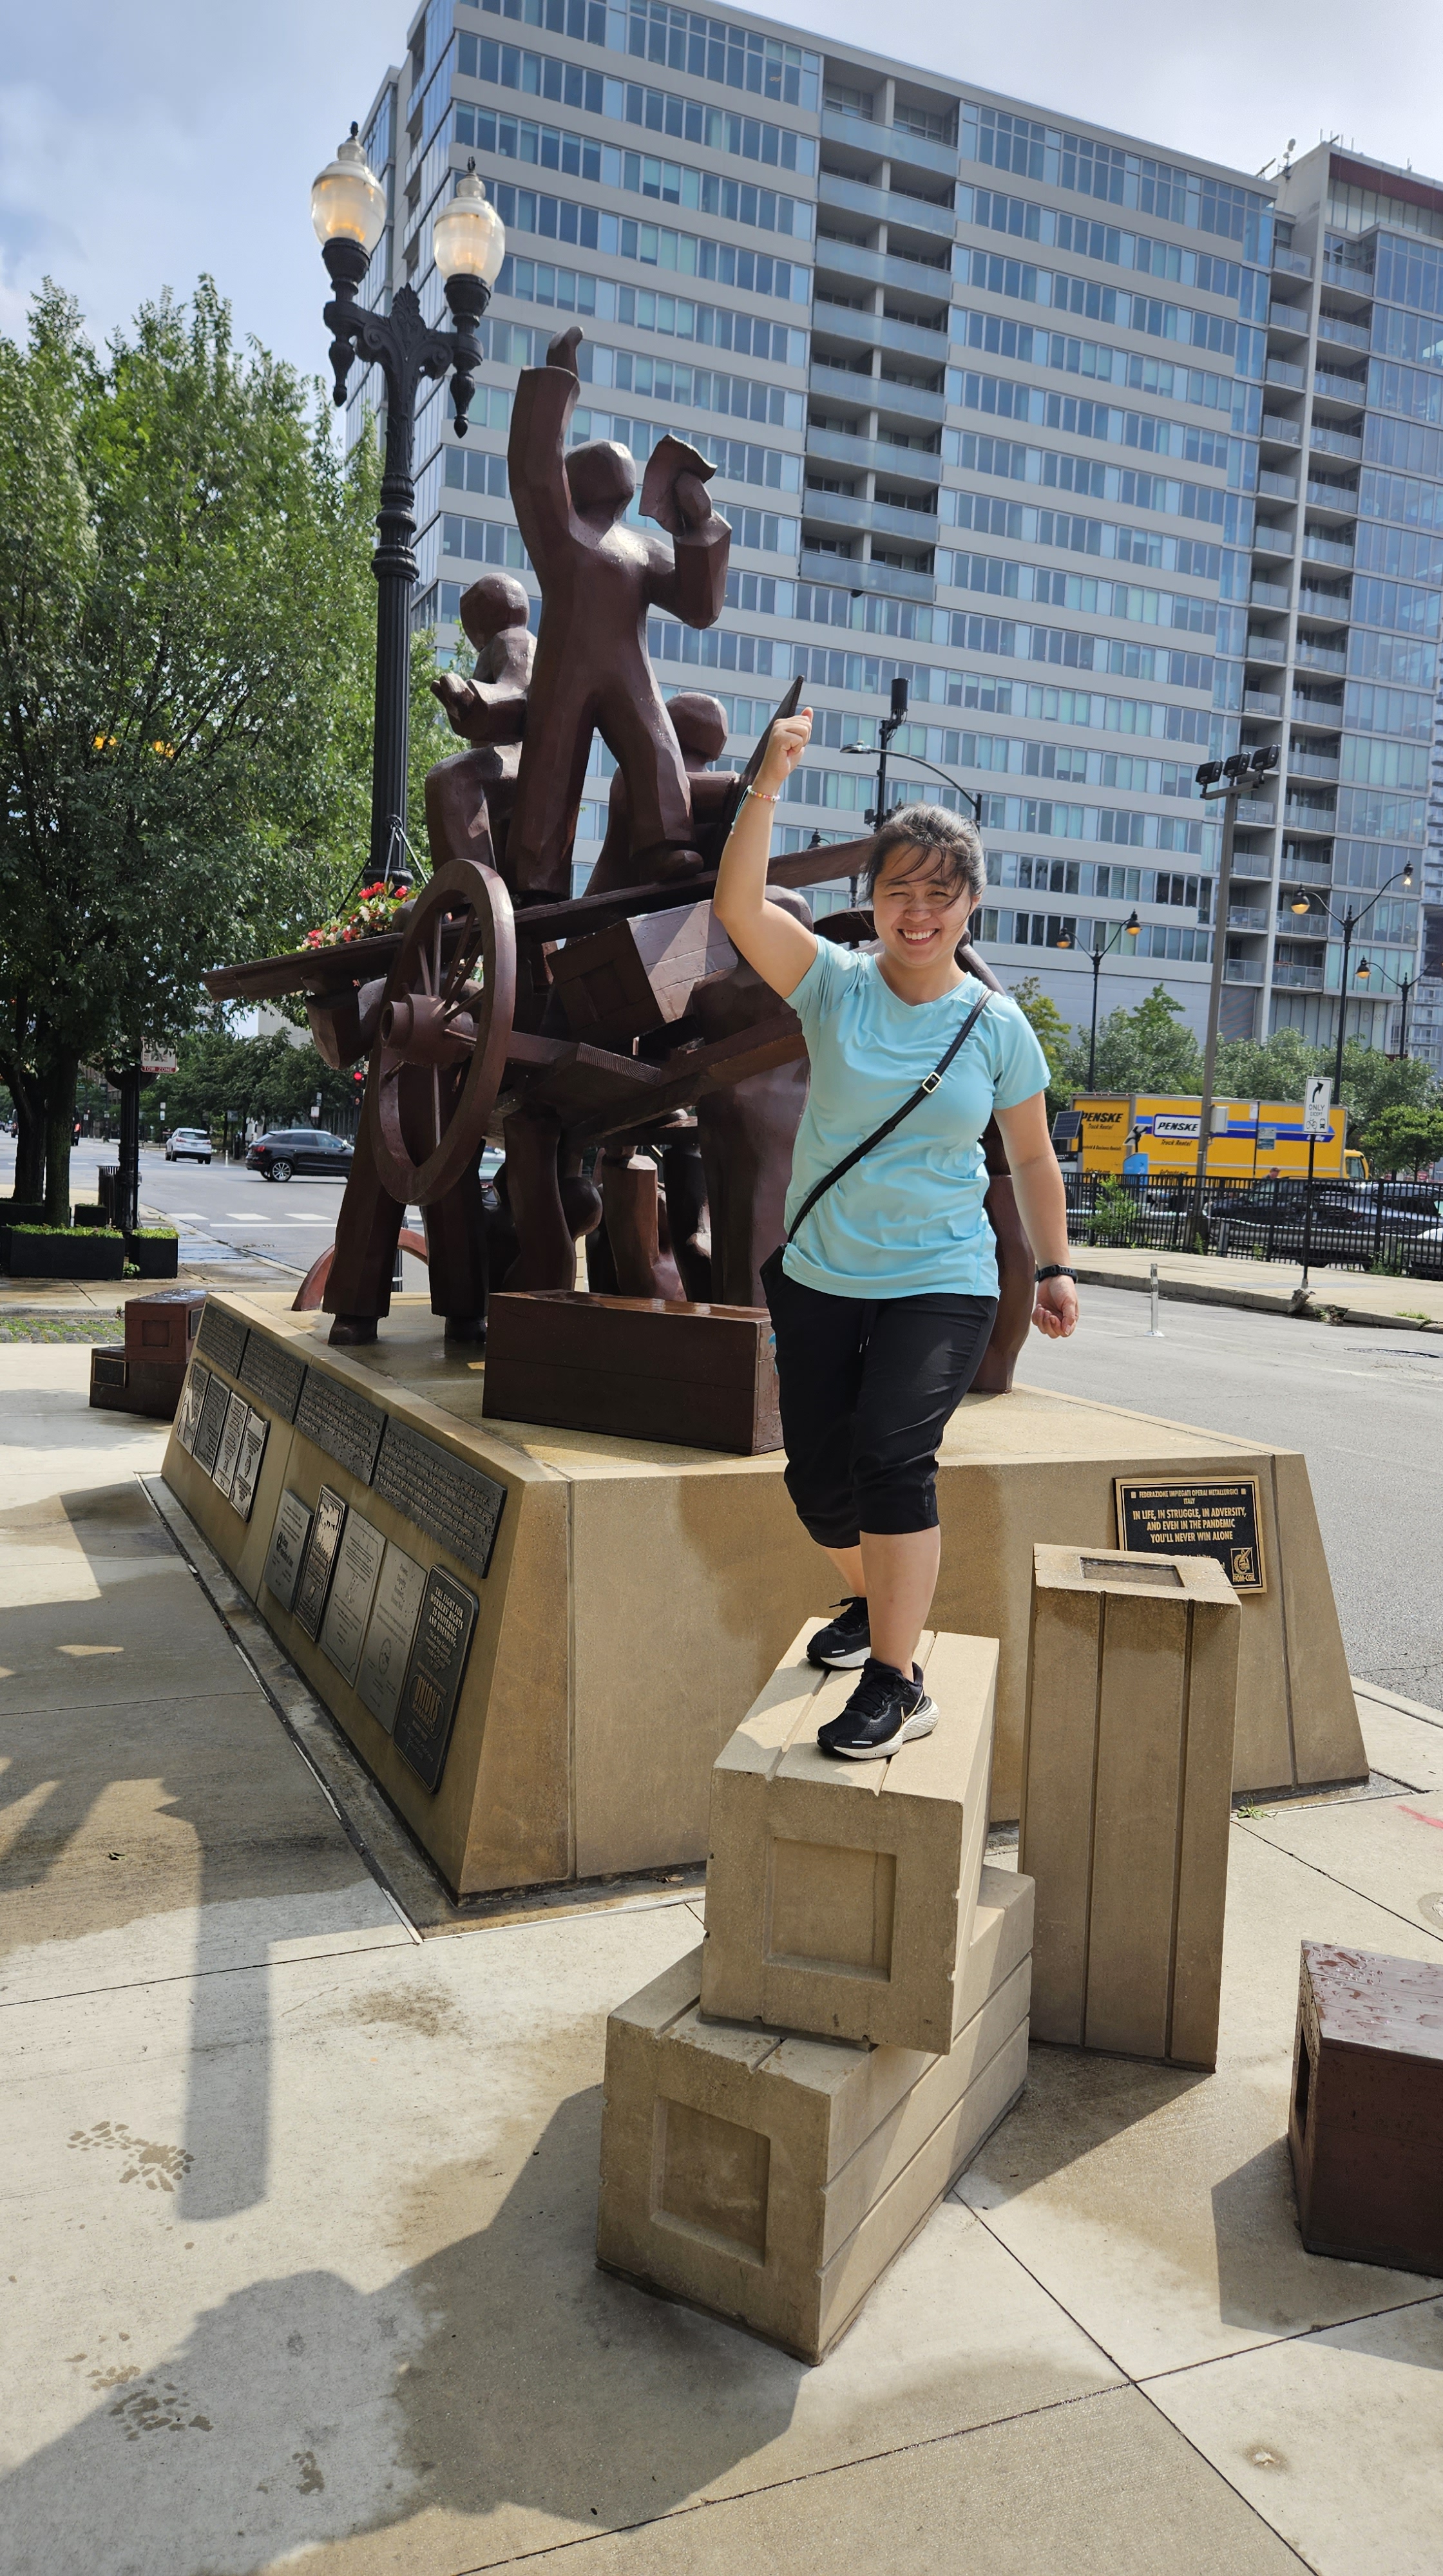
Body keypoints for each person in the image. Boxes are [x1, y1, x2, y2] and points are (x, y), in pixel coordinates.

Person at [714, 709, 1079, 1759]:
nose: (917, 912)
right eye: (898, 891)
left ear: (969, 906)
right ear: (872, 901)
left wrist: (1053, 1268)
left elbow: (1032, 1159)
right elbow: (737, 906)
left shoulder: (997, 1027)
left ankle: (896, 1676)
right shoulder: (834, 987)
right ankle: (878, 1602)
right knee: (818, 1485)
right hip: (822, 1272)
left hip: (943, 1279)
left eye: (939, 893)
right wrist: (768, 780)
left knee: (891, 1458)